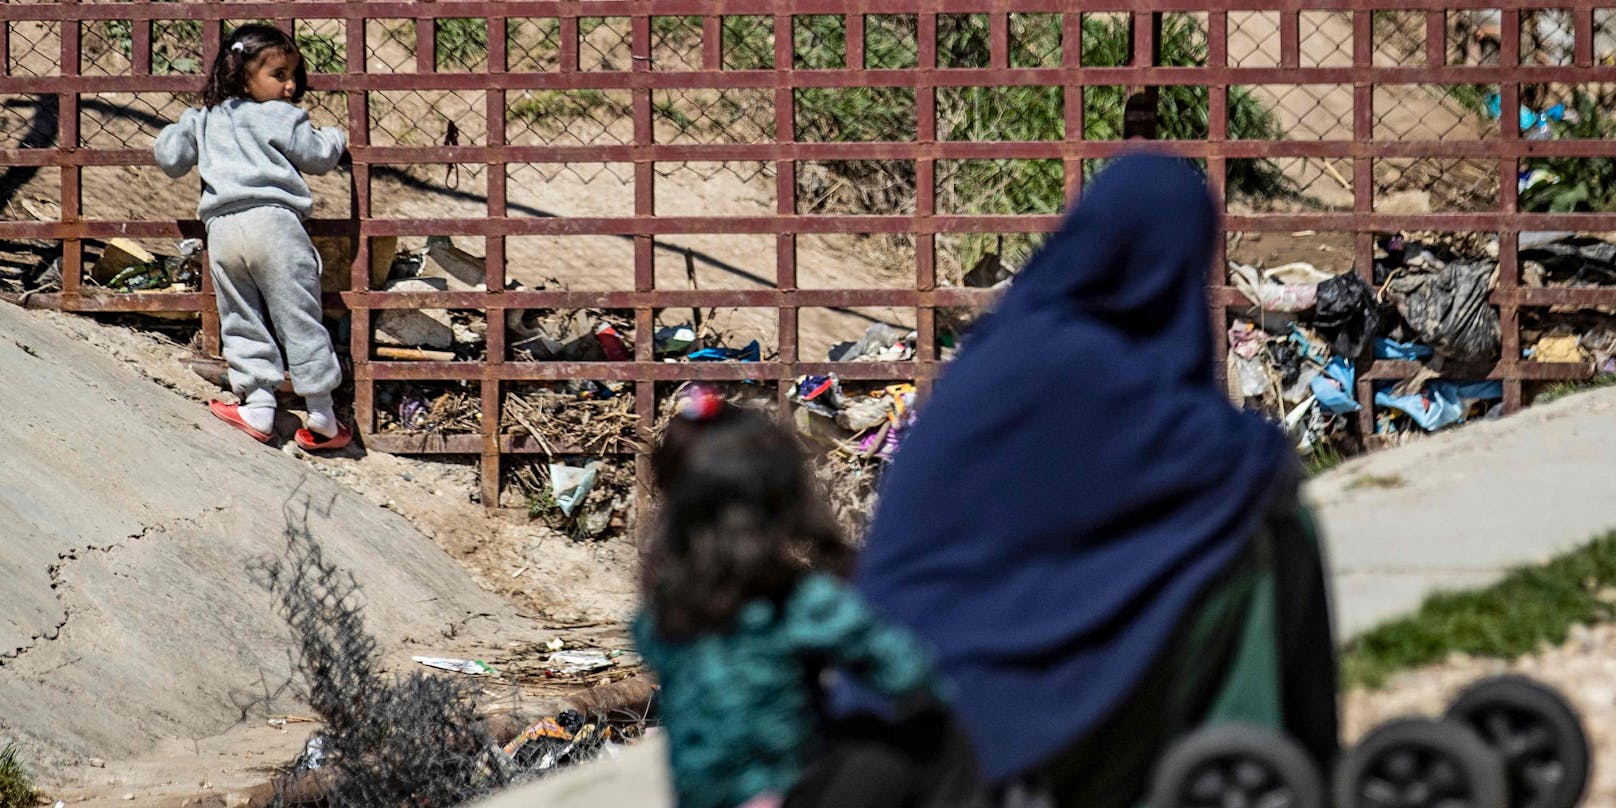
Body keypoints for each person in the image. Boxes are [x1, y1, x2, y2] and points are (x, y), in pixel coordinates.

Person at [849, 154, 1339, 805]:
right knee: (1258, 523)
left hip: (889, 710)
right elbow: (1244, 464)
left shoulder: (1002, 350)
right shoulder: (1091, 367)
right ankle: (1277, 755)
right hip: (989, 733)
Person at [634, 388, 976, 808]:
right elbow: (907, 673)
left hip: (703, 798)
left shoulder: (661, 611)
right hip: (788, 793)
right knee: (940, 738)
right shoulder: (796, 601)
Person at [154, 23, 351, 451]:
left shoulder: (205, 119)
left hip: (223, 231)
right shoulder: (284, 116)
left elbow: (170, 159)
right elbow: (317, 158)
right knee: (298, 314)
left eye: (292, 75)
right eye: (279, 74)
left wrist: (186, 125)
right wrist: (336, 137)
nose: (291, 85)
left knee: (241, 316)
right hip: (275, 225)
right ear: (243, 74)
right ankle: (322, 415)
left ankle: (257, 407)